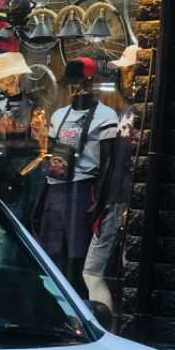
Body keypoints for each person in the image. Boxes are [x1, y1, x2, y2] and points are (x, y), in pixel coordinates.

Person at [36, 57, 119, 294]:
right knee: (52, 254)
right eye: (70, 83)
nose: (73, 87)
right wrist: (42, 198)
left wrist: (99, 204)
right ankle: (55, 308)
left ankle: (78, 312)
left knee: (77, 255)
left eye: (78, 82)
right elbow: (50, 157)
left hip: (83, 189)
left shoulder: (106, 116)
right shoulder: (58, 115)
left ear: (90, 81)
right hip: (56, 188)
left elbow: (108, 164)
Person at [83, 44, 138, 312]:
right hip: (115, 198)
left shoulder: (136, 112)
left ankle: (113, 330)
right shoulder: (128, 110)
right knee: (92, 270)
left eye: (128, 71)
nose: (124, 77)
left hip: (125, 200)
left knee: (123, 270)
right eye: (123, 72)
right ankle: (106, 328)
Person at [0, 52, 48, 227]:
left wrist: (19, 174)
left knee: (5, 243)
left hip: (17, 188)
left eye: (2, 79)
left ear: (14, 78)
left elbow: (42, 153)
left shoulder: (35, 113)